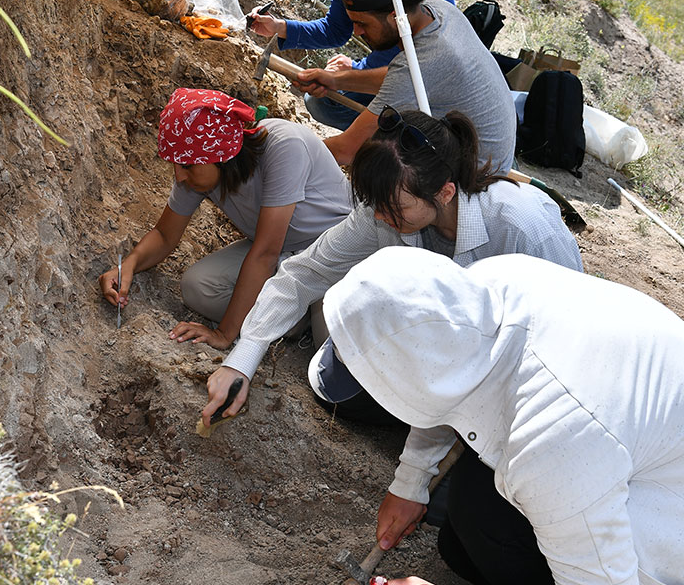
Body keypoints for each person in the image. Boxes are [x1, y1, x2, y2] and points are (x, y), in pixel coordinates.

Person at [316, 247, 684, 585]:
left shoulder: (554, 440)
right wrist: (411, 481)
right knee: (465, 533)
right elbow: (444, 382)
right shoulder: (487, 287)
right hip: (673, 456)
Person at [201, 108, 581, 425]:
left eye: (394, 208)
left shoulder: (522, 229)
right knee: (336, 391)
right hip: (432, 344)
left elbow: (568, 335)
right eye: (375, 202)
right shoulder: (383, 211)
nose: (380, 217)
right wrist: (242, 361)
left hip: (511, 368)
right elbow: (304, 274)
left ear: (445, 192)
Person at [98, 88, 351, 349]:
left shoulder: (284, 146)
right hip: (285, 250)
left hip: (334, 251)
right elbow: (164, 235)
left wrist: (224, 333)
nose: (180, 176)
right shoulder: (199, 170)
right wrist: (128, 265)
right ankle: (295, 321)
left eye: (186, 165)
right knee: (199, 287)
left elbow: (265, 254)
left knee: (334, 344)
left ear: (220, 156)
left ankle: (302, 315)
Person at [288, 0, 516, 169]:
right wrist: (337, 80)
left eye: (362, 23)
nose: (356, 31)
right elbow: (404, 76)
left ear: (395, 17)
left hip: (472, 181)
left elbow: (344, 150)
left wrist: (281, 149)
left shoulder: (430, 57)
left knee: (377, 169)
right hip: (480, 152)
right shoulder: (438, 10)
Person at [247, 0, 454, 131]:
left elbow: (412, 44)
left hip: (429, 79)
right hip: (397, 62)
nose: (356, 31)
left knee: (406, 130)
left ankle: (394, 144)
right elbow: (336, 28)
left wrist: (357, 70)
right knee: (322, 102)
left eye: (362, 24)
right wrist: (279, 27)